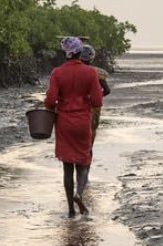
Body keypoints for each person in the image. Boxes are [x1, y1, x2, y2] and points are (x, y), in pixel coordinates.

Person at [44, 37, 103, 218]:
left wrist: (51, 105)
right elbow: (97, 101)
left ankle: (70, 210)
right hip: (83, 122)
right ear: (80, 52)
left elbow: (50, 100)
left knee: (67, 167)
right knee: (84, 162)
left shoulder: (57, 73)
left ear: (65, 53)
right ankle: (79, 193)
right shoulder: (90, 73)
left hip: (63, 123)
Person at [79, 44, 111, 143]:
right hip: (94, 107)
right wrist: (97, 96)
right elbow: (107, 90)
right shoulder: (98, 73)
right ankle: (88, 151)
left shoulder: (74, 71)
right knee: (92, 130)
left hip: (76, 105)